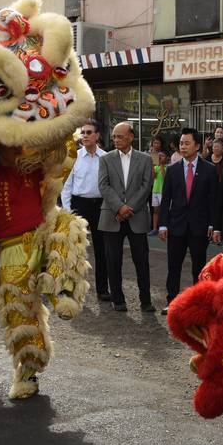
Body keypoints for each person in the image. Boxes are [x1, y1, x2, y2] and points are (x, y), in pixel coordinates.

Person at [97, 121, 155, 313]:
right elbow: (104, 186)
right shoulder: (105, 159)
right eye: (114, 136)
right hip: (112, 217)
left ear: (131, 136)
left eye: (120, 136)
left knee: (142, 261)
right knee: (113, 260)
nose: (115, 140)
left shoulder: (145, 159)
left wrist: (129, 208)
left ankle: (145, 301)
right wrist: (119, 207)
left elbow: (146, 187)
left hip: (137, 217)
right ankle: (118, 299)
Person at [158, 128, 217, 314]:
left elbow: (213, 200)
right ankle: (172, 301)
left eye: (187, 143)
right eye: (181, 143)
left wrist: (212, 224)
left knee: (199, 266)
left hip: (199, 226)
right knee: (173, 265)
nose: (183, 147)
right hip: (176, 226)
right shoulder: (173, 170)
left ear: (197, 146)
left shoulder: (209, 169)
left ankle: (198, 303)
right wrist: (162, 224)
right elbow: (166, 199)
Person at [61, 119, 109, 300]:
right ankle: (70, 287)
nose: (85, 136)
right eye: (83, 133)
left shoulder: (106, 158)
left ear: (97, 136)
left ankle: (103, 290)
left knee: (101, 249)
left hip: (100, 206)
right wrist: (68, 212)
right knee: (75, 249)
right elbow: (66, 186)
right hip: (78, 205)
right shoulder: (73, 157)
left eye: (89, 132)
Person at [149, 138, 166, 235]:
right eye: (159, 156)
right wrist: (153, 164)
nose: (160, 158)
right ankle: (155, 228)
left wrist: (162, 165)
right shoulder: (155, 166)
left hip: (162, 191)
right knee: (155, 210)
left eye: (162, 156)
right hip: (155, 190)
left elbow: (165, 177)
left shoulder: (167, 167)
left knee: (163, 210)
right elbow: (153, 176)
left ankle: (163, 228)